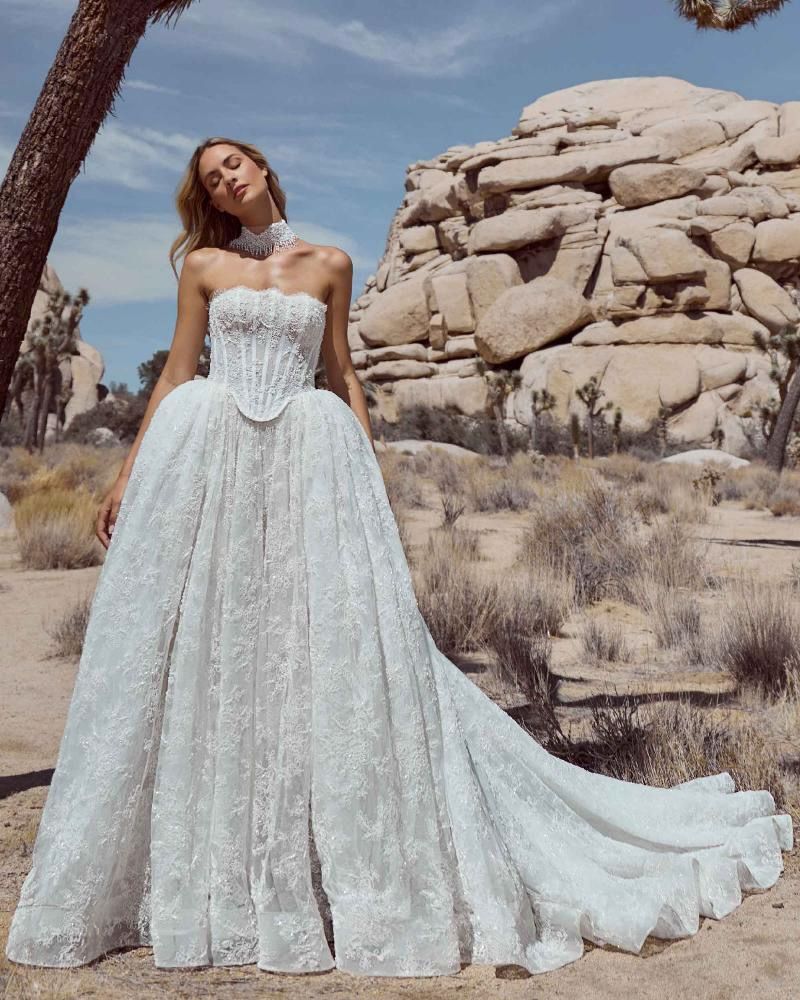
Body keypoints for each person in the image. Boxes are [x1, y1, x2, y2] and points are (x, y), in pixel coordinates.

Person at [5, 137, 794, 979]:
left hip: (308, 468)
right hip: (214, 466)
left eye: (233, 165)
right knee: (224, 645)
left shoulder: (332, 264)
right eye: (210, 180)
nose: (225, 181)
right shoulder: (202, 266)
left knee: (324, 645)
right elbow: (173, 376)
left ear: (265, 169)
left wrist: (366, 478)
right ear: (212, 201)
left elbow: (342, 376)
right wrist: (128, 473)